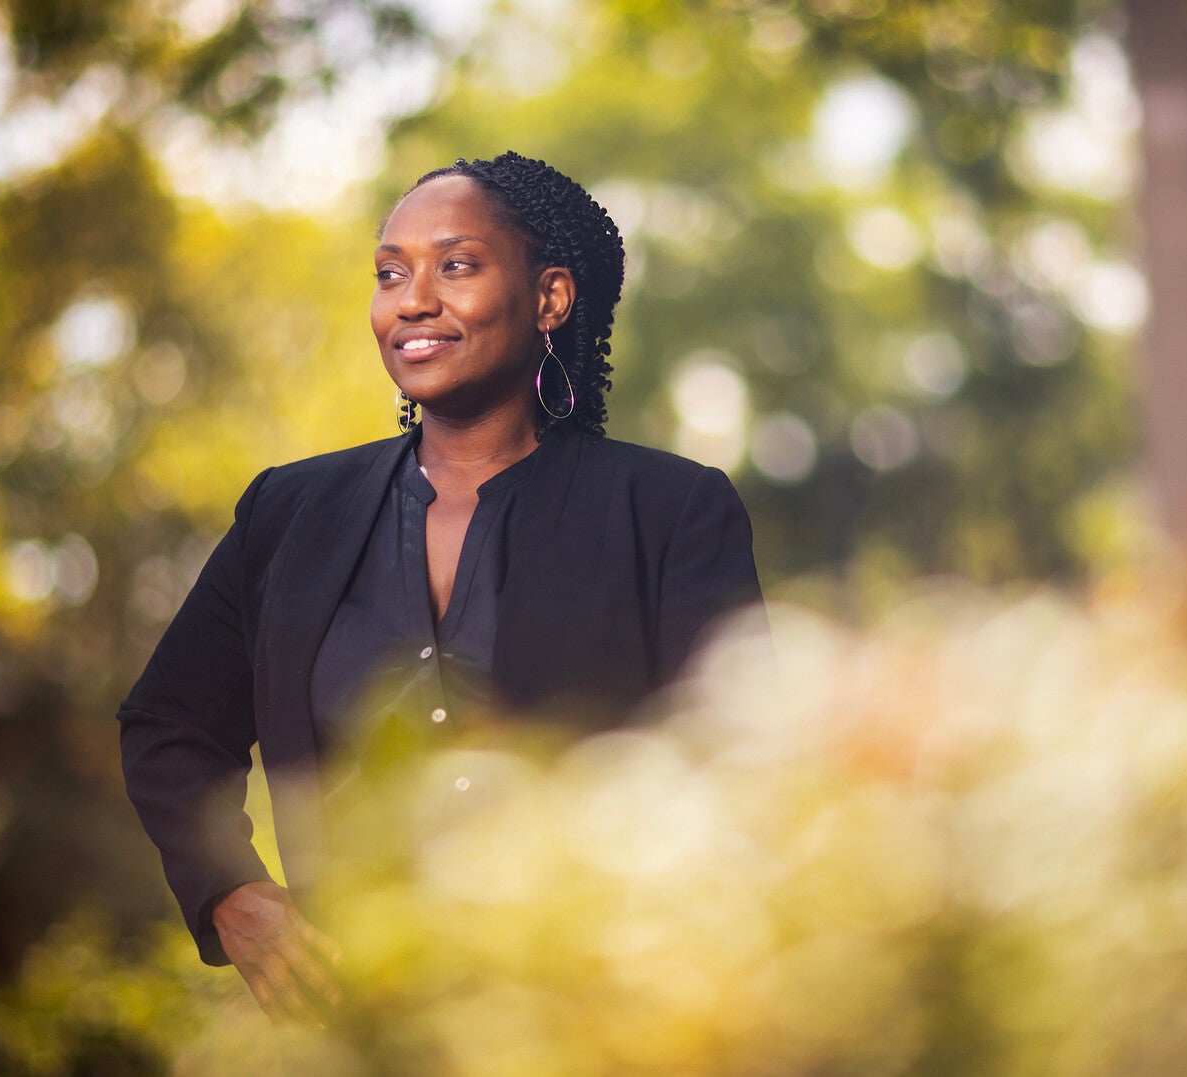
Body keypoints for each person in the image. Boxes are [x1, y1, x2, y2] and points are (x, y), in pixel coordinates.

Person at [116, 151, 763, 1021]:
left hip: (592, 1026)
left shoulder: (672, 511)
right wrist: (233, 894)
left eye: (456, 265)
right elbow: (170, 724)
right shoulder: (288, 512)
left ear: (550, 298)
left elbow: (742, 776)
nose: (412, 300)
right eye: (391, 273)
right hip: (355, 1029)